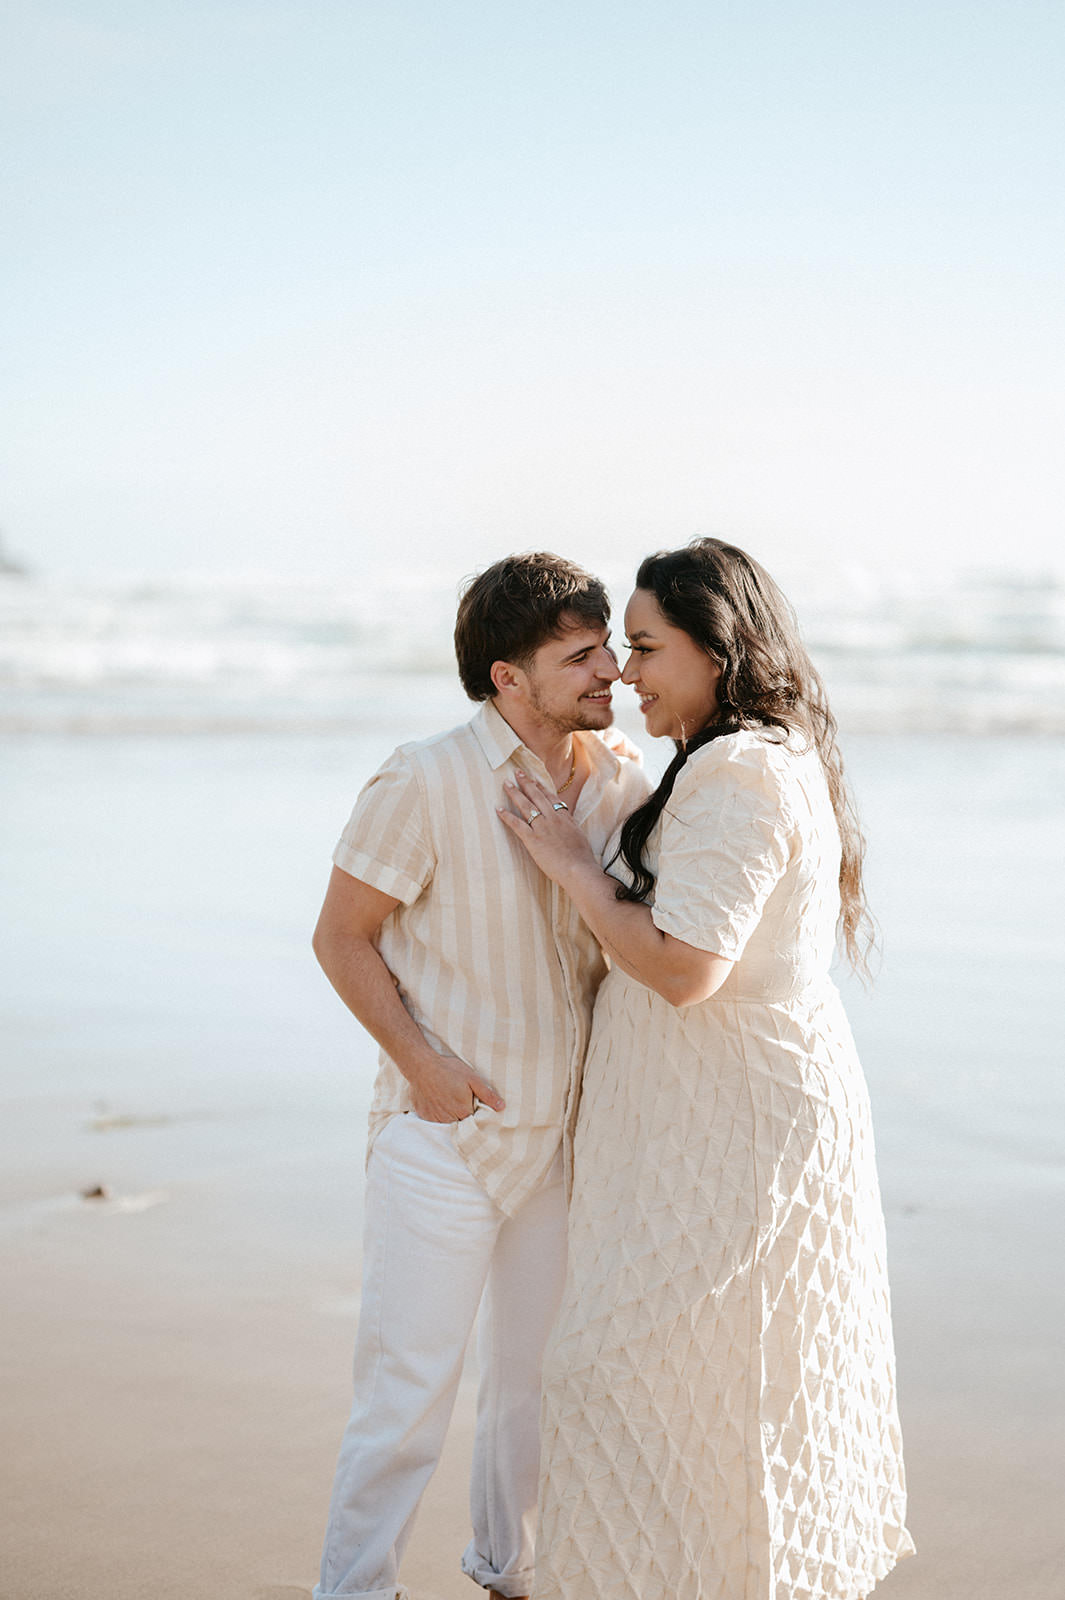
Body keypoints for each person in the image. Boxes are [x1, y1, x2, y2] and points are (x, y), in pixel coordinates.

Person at [498, 538, 915, 1600]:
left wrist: (574, 869)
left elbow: (685, 967)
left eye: (646, 647)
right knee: (709, 1389)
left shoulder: (737, 772)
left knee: (624, 1369)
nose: (627, 673)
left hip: (739, 1129)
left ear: (718, 651)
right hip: (716, 1121)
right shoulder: (743, 756)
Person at [310, 552, 650, 1600]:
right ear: (508, 676)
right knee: (406, 1394)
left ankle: (510, 1572)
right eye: (580, 656)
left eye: (608, 648)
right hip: (444, 1139)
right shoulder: (423, 776)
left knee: (533, 1389)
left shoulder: (623, 776)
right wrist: (427, 1069)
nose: (611, 672)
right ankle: (354, 1589)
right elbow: (341, 938)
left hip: (560, 1144)